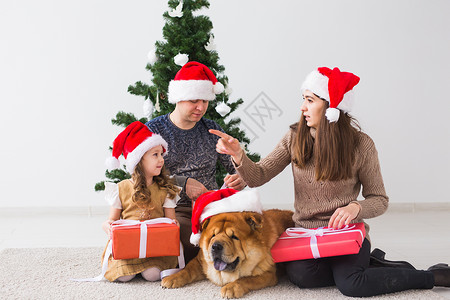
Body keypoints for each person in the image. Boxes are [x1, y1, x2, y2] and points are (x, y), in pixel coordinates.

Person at [210, 67, 450, 297]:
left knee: (352, 284)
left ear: (330, 106)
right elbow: (259, 175)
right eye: (303, 99)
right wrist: (239, 155)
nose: (303, 107)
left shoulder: (361, 144)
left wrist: (356, 207)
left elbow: (380, 200)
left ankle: (431, 276)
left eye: (310, 100)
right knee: (302, 277)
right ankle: (369, 264)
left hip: (345, 233)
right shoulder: (294, 138)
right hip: (306, 233)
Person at [146, 61, 246, 263]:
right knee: (184, 242)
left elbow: (236, 169)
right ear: (178, 98)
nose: (201, 107)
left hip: (211, 207)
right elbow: (140, 179)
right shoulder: (154, 130)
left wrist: (241, 177)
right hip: (173, 209)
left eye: (205, 101)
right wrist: (181, 183)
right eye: (194, 100)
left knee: (242, 236)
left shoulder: (211, 129)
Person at [102, 121, 180, 282]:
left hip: (156, 249)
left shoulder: (164, 189)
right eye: (155, 155)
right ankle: (130, 266)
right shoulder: (121, 188)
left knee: (152, 275)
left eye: (161, 154)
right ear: (139, 160)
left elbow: (172, 221)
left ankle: (149, 266)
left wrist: (174, 226)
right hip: (128, 249)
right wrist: (107, 226)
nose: (161, 159)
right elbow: (112, 220)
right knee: (124, 276)